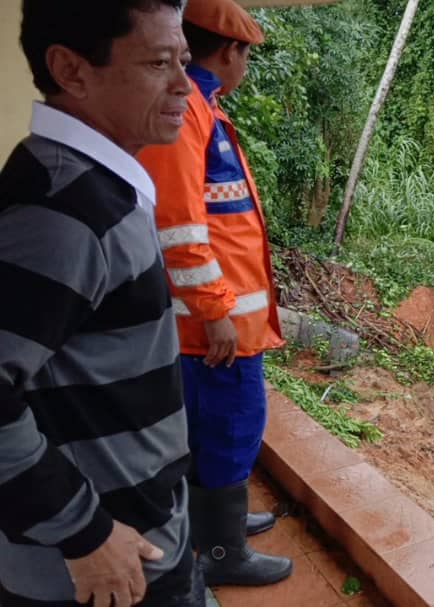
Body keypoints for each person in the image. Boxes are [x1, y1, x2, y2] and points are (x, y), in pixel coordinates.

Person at [0, 1, 203, 606]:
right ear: (71, 69)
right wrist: (86, 535)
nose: (184, 85)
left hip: (135, 539)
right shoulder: (64, 214)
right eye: (159, 62)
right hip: (100, 573)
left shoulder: (93, 186)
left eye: (185, 61)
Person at [137, 0, 292, 588]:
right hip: (212, 325)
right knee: (232, 422)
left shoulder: (205, 109)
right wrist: (216, 311)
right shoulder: (187, 115)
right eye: (247, 54)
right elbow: (178, 226)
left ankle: (215, 523)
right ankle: (223, 555)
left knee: (219, 424)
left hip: (219, 317)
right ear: (230, 52)